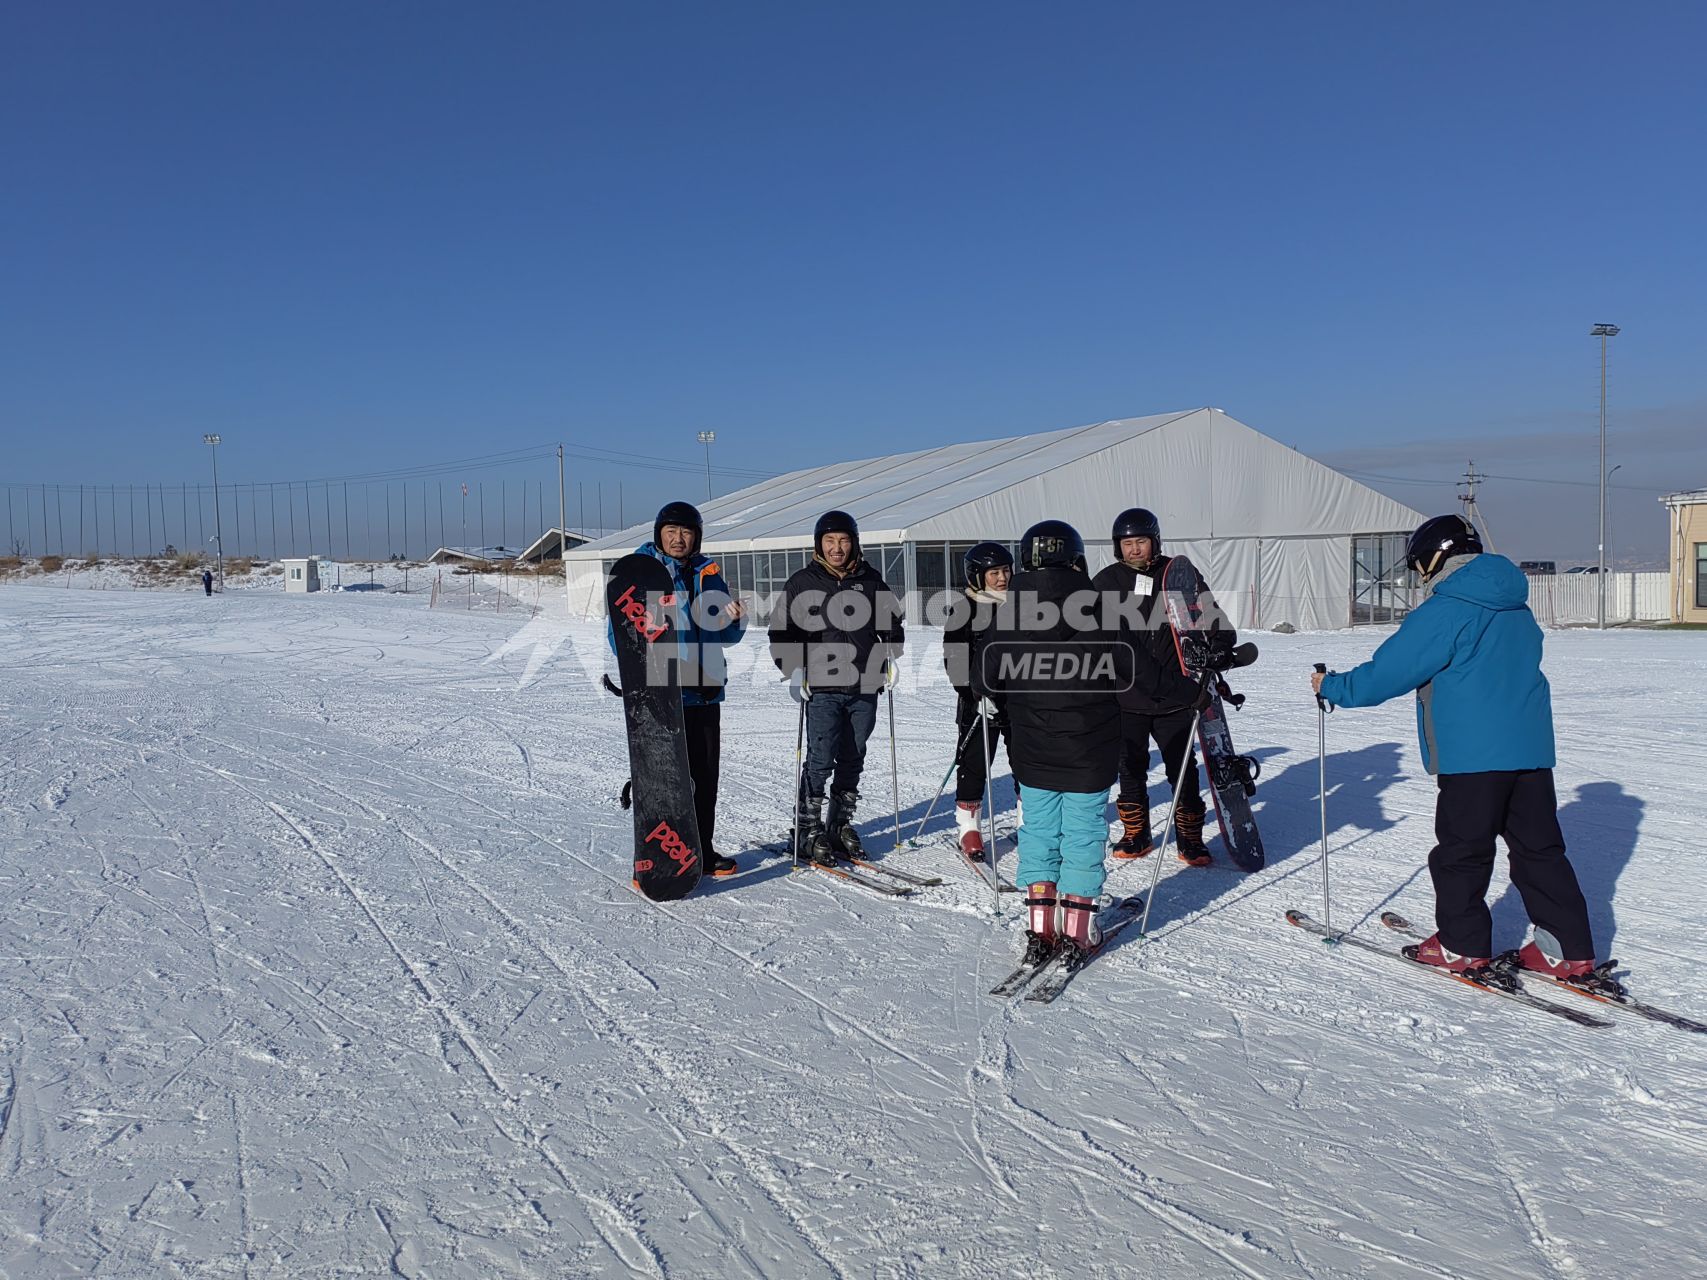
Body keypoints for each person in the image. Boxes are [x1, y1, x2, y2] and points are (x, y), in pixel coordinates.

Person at [1313, 514, 1599, 978]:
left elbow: (1389, 673)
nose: (1421, 577)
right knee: (1539, 850)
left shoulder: (1448, 609)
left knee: (1462, 851)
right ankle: (1565, 947)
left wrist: (1333, 687)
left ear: (1433, 557)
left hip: (1474, 755)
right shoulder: (1515, 604)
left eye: (1419, 566)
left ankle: (1462, 945)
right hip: (1529, 750)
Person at [985, 520, 1124, 961]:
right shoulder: (1101, 607)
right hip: (1090, 748)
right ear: (1076, 557)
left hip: (1033, 748)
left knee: (1039, 832)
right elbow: (1131, 673)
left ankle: (1041, 926)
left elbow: (986, 678)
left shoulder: (1010, 610)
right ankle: (1080, 927)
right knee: (1083, 833)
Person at [613, 501, 746, 877]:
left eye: (686, 532)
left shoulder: (708, 573)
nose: (678, 538)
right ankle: (656, 858)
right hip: (662, 694)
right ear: (659, 534)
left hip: (703, 690)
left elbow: (725, 635)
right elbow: (622, 636)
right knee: (662, 781)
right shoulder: (642, 572)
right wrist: (638, 678)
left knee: (704, 779)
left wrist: (736, 620)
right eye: (671, 531)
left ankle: (701, 851)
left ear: (696, 537)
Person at [1090, 507, 1230, 867]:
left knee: (1182, 769)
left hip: (1175, 693)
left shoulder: (1178, 574)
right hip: (1125, 694)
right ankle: (1136, 834)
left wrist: (1218, 642)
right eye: (1127, 543)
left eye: (1141, 542)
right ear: (1117, 546)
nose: (1134, 549)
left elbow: (1212, 618)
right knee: (1129, 768)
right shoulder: (1106, 582)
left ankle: (1191, 839)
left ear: (1155, 541)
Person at [768, 510, 905, 865]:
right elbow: (781, 633)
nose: (837, 548)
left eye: (843, 540)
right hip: (822, 686)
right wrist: (793, 671)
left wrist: (890, 655)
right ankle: (807, 828)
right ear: (819, 545)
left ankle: (839, 824)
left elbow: (892, 625)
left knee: (853, 755)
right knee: (820, 757)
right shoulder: (802, 582)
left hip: (864, 684)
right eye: (829, 541)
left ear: (854, 543)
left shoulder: (871, 580)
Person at [942, 542, 1012, 861]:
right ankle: (969, 828)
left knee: (1027, 766)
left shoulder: (1023, 606)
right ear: (977, 575)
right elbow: (955, 661)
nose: (1002, 578)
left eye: (1006, 571)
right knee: (973, 764)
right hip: (977, 702)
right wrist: (973, 694)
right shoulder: (964, 609)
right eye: (994, 573)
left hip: (1018, 702)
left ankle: (1031, 823)